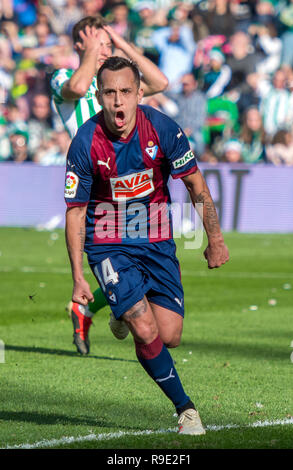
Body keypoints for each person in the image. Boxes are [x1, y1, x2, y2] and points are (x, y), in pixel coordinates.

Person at [64, 56, 229, 435]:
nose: (118, 102)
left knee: (168, 335)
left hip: (156, 240)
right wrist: (78, 278)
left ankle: (119, 310)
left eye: (125, 92)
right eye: (109, 93)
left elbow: (195, 185)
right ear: (99, 95)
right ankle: (186, 410)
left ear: (140, 92)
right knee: (144, 328)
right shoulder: (86, 142)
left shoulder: (162, 129)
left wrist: (215, 239)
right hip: (107, 242)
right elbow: (75, 214)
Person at [50, 15, 168, 355]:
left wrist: (122, 46)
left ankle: (96, 307)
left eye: (106, 44)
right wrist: (91, 52)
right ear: (81, 46)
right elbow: (75, 88)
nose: (104, 50)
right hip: (95, 187)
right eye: (98, 44)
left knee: (146, 264)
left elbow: (160, 82)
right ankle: (114, 305)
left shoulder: (119, 82)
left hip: (131, 182)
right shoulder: (62, 77)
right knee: (125, 266)